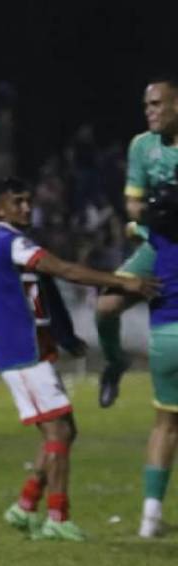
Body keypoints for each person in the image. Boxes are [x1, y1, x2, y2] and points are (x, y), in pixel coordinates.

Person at [0, 177, 156, 541]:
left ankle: (27, 505)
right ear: (0, 209)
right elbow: (63, 270)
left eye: (29, 200)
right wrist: (123, 282)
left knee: (63, 430)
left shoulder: (16, 243)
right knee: (59, 431)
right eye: (18, 202)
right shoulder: (8, 242)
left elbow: (44, 287)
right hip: (23, 354)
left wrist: (63, 335)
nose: (27, 207)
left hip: (35, 351)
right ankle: (57, 518)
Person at [94, 76, 178, 407]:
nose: (149, 112)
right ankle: (115, 363)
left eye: (156, 104)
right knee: (106, 307)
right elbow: (132, 204)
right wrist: (152, 211)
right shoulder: (142, 146)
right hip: (158, 245)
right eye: (146, 106)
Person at [132, 176, 178, 536]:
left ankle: (150, 518)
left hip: (164, 336)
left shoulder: (155, 239)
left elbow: (136, 222)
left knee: (165, 424)